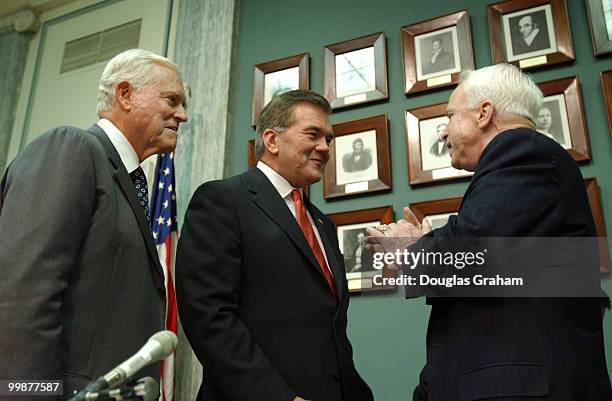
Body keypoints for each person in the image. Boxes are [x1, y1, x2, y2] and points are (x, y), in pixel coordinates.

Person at [368, 63, 610, 400]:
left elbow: (472, 248)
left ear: (484, 113)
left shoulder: (523, 150)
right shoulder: (532, 162)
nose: (443, 132)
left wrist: (408, 248)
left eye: (450, 116)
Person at [0, 49, 188, 398]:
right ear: (126, 94)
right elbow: (24, 298)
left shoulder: (129, 182)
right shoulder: (71, 148)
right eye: (172, 100)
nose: (183, 115)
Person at [176, 89, 374, 401]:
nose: (324, 147)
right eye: (313, 134)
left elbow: (330, 327)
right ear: (271, 140)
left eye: (329, 139)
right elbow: (208, 314)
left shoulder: (323, 224)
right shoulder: (222, 201)